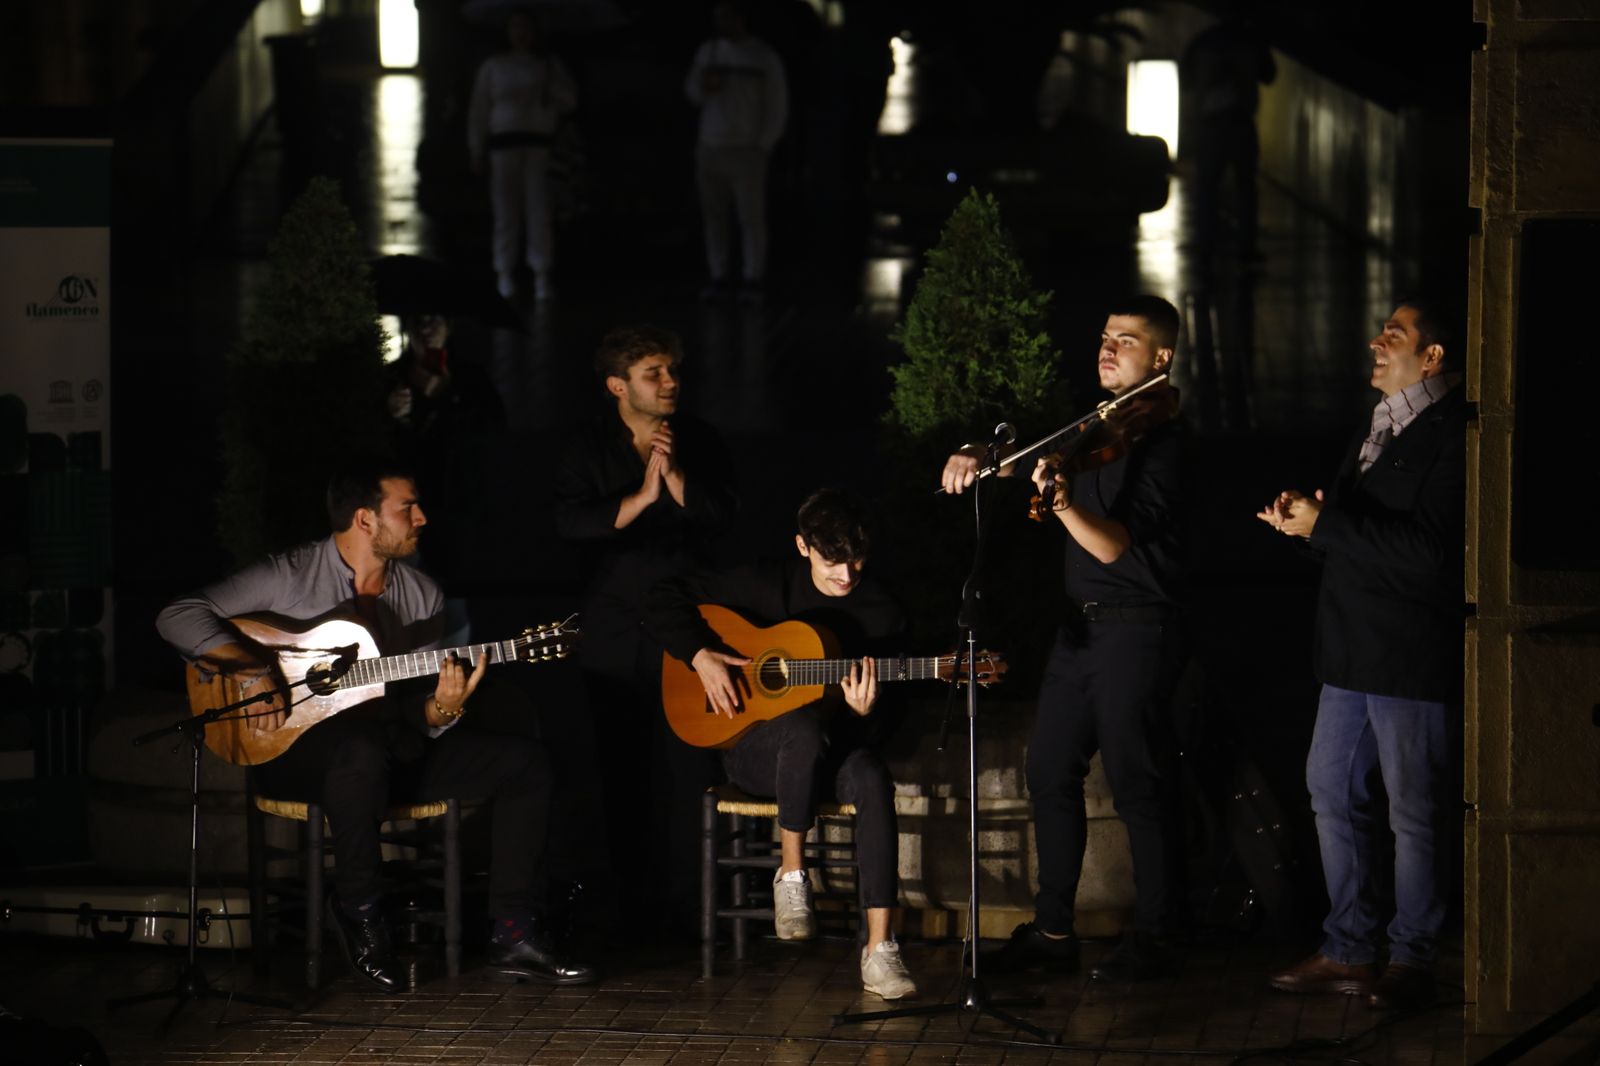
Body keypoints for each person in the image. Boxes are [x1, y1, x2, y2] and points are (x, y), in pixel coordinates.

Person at [156, 459, 594, 991]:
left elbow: (412, 712)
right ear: (365, 519)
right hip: (290, 753)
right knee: (358, 750)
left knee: (524, 763)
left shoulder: (423, 595)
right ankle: (360, 911)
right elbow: (177, 615)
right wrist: (253, 671)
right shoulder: (289, 574)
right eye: (408, 508)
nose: (422, 518)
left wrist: (442, 710)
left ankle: (514, 934)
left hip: (386, 751)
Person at [941, 295, 1188, 982]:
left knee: (1138, 786)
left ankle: (1157, 937)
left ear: (1161, 358)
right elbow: (1035, 458)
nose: (1108, 349)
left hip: (1137, 627)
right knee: (1049, 769)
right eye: (1105, 336)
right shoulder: (1099, 425)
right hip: (1080, 630)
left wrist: (1065, 505)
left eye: (1126, 340)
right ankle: (1053, 931)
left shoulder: (1165, 442)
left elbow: (1112, 547)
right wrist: (981, 455)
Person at [1259, 298, 1464, 1011]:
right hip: (1349, 650)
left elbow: (1433, 556)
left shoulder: (1454, 432)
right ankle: (1348, 947)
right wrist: (1306, 526)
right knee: (1331, 791)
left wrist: (1329, 524)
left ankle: (1413, 958)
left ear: (1432, 356)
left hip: (1408, 652)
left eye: (1395, 334)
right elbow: (1353, 533)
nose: (1377, 342)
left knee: (1414, 810)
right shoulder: (1379, 419)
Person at [645, 488, 917, 1001]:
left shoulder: (883, 610)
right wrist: (700, 655)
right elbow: (661, 596)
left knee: (871, 775)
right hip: (755, 752)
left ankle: (880, 949)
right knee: (800, 727)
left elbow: (893, 722)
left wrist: (866, 713)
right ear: (802, 546)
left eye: (857, 560)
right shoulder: (764, 585)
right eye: (832, 561)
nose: (847, 575)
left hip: (835, 753)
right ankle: (792, 876)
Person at [553, 325, 739, 934]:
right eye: (653, 373)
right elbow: (569, 524)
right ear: (617, 386)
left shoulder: (699, 438)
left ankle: (692, 908)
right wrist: (640, 496)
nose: (669, 382)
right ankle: (628, 912)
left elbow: (726, 518)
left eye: (672, 371)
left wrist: (676, 477)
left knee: (689, 769)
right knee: (620, 769)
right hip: (612, 630)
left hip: (685, 628)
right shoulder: (585, 445)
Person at [468, 11, 577, 301]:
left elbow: (570, 100)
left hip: (538, 146)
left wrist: (550, 85)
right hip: (504, 146)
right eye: (516, 26)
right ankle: (504, 271)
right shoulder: (495, 66)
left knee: (539, 210)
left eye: (526, 27)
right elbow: (479, 110)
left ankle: (541, 272)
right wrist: (477, 148)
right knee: (506, 211)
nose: (521, 33)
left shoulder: (548, 66)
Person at [684, 0, 788, 304]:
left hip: (747, 148)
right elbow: (692, 92)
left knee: (750, 216)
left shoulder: (763, 57)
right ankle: (719, 275)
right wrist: (704, 86)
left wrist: (764, 144)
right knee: (715, 215)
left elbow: (777, 103)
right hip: (711, 145)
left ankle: (752, 277)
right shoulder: (709, 52)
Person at [1180, 5, 1276, 262]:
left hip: (1211, 122)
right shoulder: (1251, 41)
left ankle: (1206, 246)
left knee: (1207, 188)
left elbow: (1187, 80)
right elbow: (1269, 75)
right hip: (1241, 121)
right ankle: (1246, 247)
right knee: (1246, 188)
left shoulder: (1203, 41)